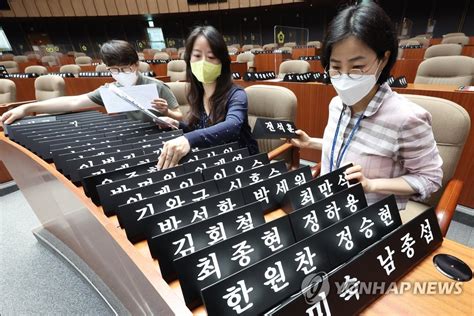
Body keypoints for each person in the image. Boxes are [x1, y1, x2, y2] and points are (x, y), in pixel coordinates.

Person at [291, 2, 442, 210]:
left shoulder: (407, 119)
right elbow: (349, 146)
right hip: (330, 208)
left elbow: (430, 178)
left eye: (357, 67)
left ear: (383, 58)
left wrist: (371, 184)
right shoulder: (336, 104)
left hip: (369, 221)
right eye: (335, 67)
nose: (344, 76)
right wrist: (311, 143)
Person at [1, 40, 182, 125]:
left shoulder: (157, 86)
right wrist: (28, 108)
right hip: (128, 139)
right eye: (114, 70)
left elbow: (180, 116)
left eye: (125, 69)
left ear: (136, 65)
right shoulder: (111, 90)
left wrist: (166, 113)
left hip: (159, 137)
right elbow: (73, 102)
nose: (120, 74)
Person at [156, 26, 258, 170]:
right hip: (214, 159)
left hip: (243, 162)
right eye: (197, 56)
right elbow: (201, 129)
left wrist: (188, 139)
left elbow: (232, 126)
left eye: (211, 57)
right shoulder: (197, 93)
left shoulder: (236, 94)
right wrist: (176, 124)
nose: (203, 62)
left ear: (222, 62)